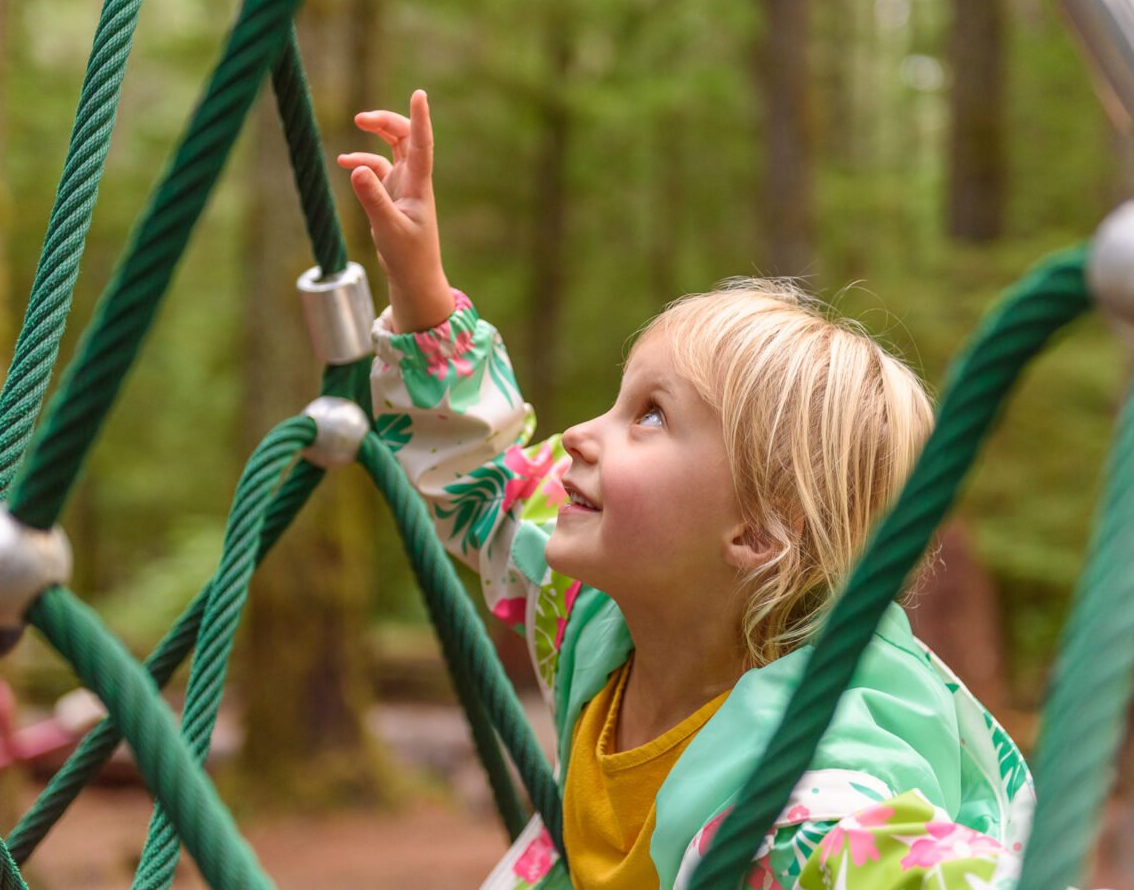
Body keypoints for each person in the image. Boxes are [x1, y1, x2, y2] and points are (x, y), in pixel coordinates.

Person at [338, 90, 1034, 890]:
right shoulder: (591, 609)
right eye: (619, 402)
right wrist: (419, 285)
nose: (580, 435)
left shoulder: (812, 796)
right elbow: (486, 484)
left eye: (650, 416)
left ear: (759, 533)